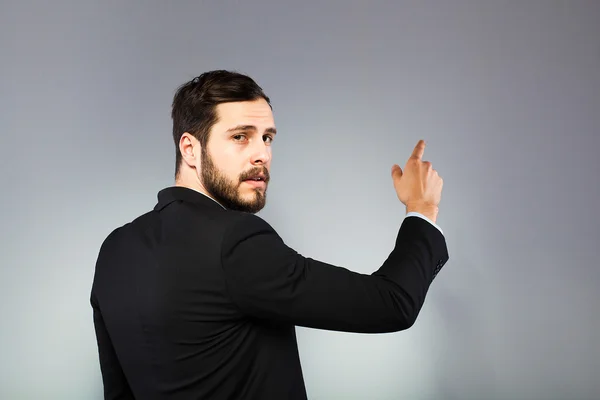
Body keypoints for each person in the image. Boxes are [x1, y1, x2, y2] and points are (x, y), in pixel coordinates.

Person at [90, 69, 449, 400]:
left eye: (267, 137)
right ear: (190, 149)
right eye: (240, 137)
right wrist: (421, 209)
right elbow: (391, 304)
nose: (262, 153)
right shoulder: (235, 241)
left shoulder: (115, 249)